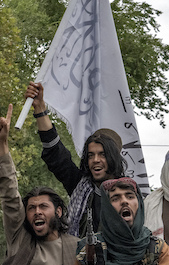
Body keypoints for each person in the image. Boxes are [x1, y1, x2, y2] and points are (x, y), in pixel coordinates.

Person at [0, 103, 79, 265]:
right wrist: (1, 144)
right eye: (31, 208)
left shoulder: (76, 247)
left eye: (43, 206)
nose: (37, 212)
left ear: (59, 212)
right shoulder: (20, 238)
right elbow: (9, 193)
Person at [25, 82, 126, 237]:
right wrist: (39, 109)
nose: (96, 160)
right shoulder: (80, 186)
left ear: (113, 158)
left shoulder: (129, 194)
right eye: (91, 155)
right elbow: (56, 154)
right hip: (78, 259)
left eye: (102, 154)